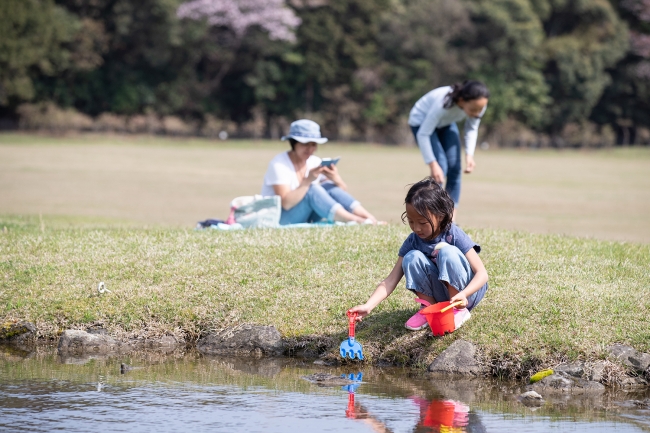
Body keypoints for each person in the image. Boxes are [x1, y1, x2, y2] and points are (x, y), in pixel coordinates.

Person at [348, 177, 488, 331]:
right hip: (441, 294)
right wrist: (368, 306)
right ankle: (429, 308)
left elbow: (482, 273)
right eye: (411, 221)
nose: (416, 228)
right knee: (411, 257)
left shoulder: (453, 233)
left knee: (447, 252)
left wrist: (464, 294)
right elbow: (390, 280)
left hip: (466, 295)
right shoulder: (413, 241)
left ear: (440, 216)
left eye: (422, 223)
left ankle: (456, 310)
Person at [261, 119, 378, 225]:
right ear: (293, 143)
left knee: (328, 187)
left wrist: (336, 179)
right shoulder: (279, 164)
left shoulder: (314, 161)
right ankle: (357, 221)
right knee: (312, 189)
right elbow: (286, 204)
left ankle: (370, 219)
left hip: (307, 215)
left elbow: (335, 195)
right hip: (280, 218)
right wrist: (308, 180)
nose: (310, 149)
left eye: (313, 144)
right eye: (305, 144)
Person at [409, 80, 490, 219]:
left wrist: (469, 155)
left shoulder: (478, 106)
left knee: (455, 168)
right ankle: (432, 218)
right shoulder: (443, 104)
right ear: (462, 100)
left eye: (480, 109)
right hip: (421, 123)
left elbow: (471, 128)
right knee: (441, 167)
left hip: (445, 123)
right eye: (473, 109)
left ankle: (450, 220)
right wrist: (433, 164)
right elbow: (423, 134)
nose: (477, 113)